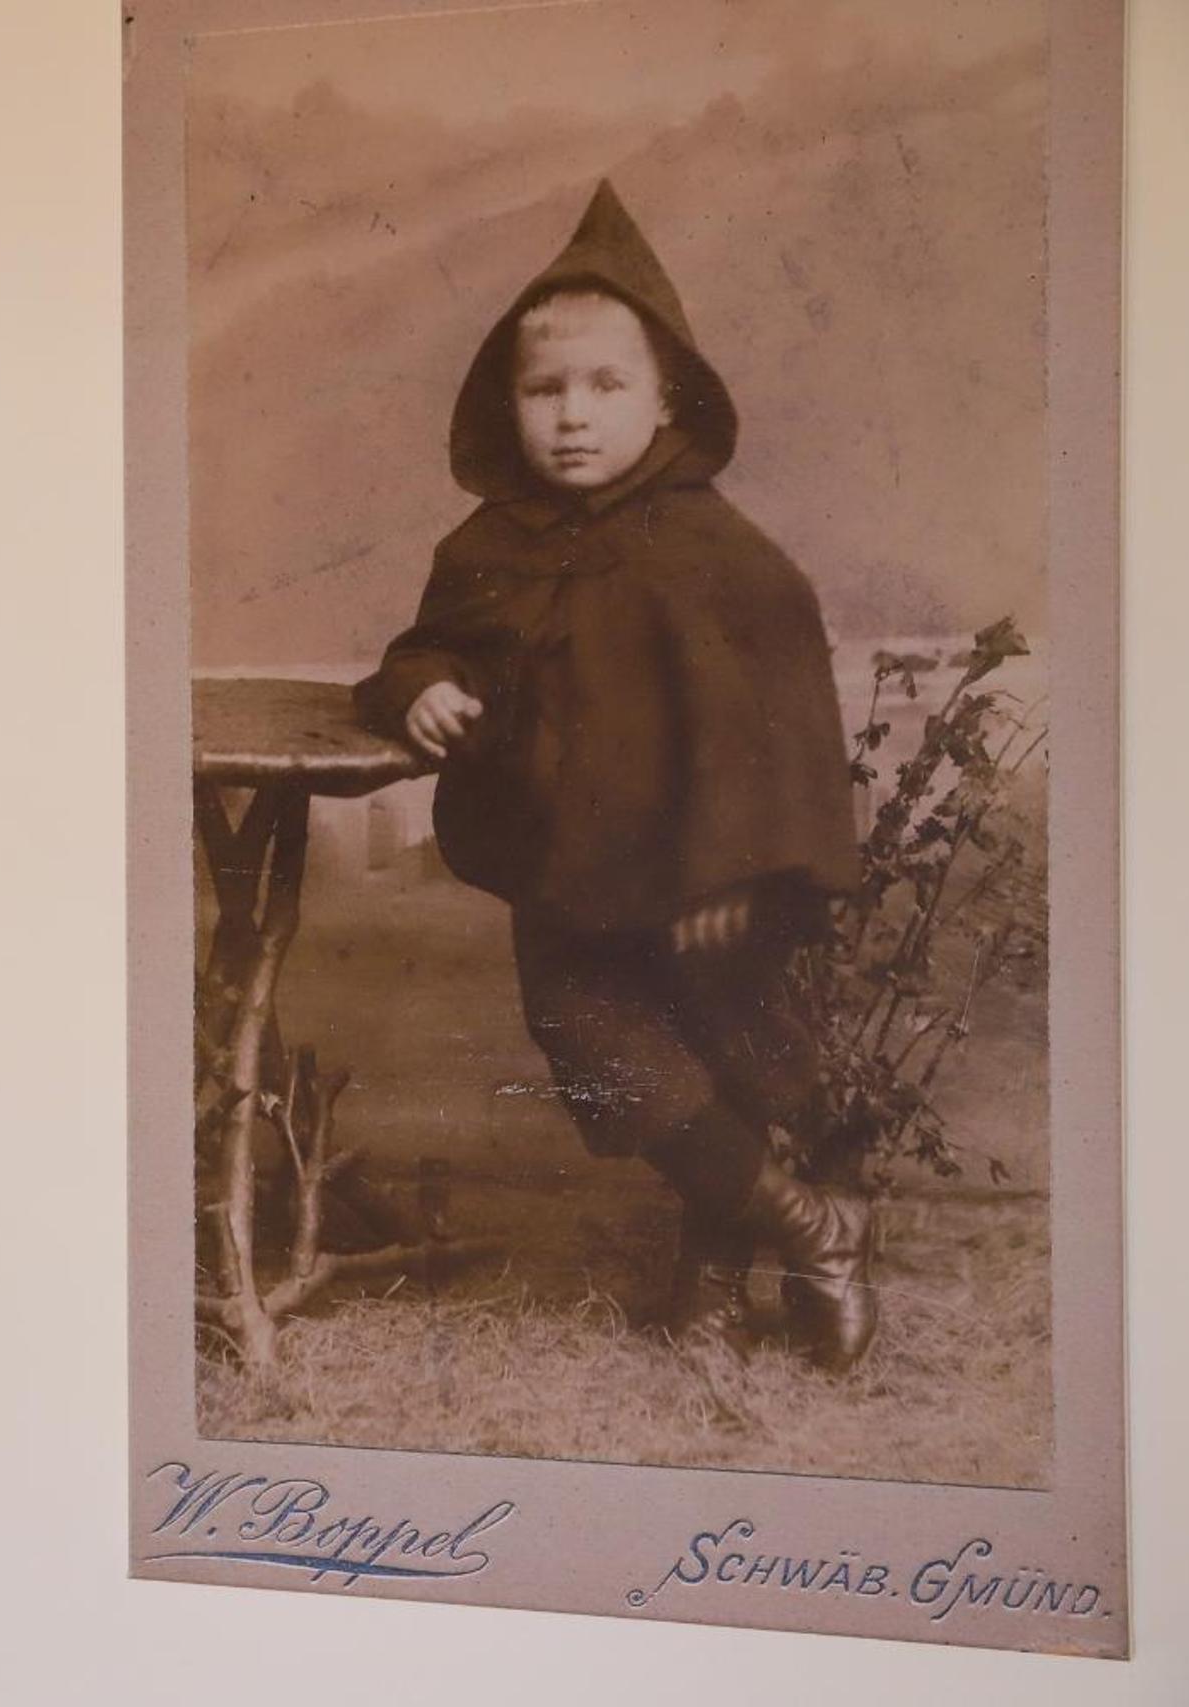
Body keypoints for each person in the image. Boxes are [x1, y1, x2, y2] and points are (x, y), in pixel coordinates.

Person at [353, 181, 875, 1370]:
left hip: (704, 879)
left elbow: (783, 714)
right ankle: (813, 1228)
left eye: (605, 386)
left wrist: (743, 872)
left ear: (665, 396)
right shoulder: (492, 543)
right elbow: (426, 648)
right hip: (571, 872)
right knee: (602, 1049)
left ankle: (710, 1288)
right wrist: (417, 687)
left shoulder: (719, 553)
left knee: (726, 1058)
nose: (573, 416)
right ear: (508, 402)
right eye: (545, 390)